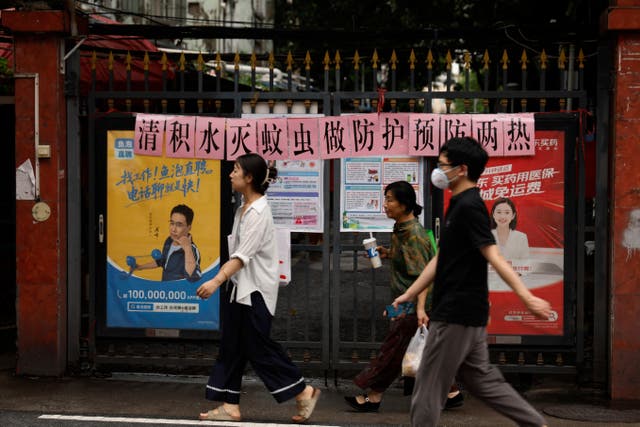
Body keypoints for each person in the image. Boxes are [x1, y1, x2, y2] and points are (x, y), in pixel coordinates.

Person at [392, 137, 552, 427]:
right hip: (468, 312)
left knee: (428, 386)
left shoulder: (470, 207)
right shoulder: (458, 204)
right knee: (482, 380)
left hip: (456, 313)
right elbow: (442, 257)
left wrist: (526, 297)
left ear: (461, 169)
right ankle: (535, 423)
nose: (438, 172)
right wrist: (411, 292)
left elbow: (494, 255)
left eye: (442, 166)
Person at [195, 153, 320, 423]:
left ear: (249, 178)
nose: (231, 174)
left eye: (236, 170)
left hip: (254, 292)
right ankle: (230, 405)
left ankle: (303, 391)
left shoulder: (258, 212)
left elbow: (242, 256)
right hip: (239, 288)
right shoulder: (245, 206)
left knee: (258, 347)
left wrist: (216, 281)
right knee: (232, 346)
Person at [344, 181, 463, 413]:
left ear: (405, 204)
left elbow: (423, 275)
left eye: (390, 200)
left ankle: (374, 396)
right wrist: (388, 253)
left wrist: (420, 310)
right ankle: (451, 392)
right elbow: (410, 262)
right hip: (408, 301)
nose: (385, 205)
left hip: (413, 305)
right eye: (385, 199)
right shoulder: (402, 228)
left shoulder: (413, 235)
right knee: (423, 350)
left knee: (393, 351)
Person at [134, 204, 201, 282]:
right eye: (172, 223)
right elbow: (162, 262)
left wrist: (187, 248)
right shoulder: (169, 241)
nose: (173, 229)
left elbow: (192, 278)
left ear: (189, 228)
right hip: (165, 289)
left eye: (179, 225)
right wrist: (140, 267)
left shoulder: (192, 249)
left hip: (180, 292)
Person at [490, 197, 531, 275]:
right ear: (493, 214)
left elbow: (525, 263)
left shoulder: (521, 237)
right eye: (499, 212)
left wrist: (517, 273)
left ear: (513, 215)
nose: (502, 216)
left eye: (507, 212)